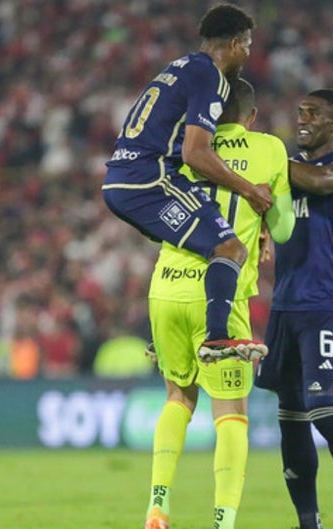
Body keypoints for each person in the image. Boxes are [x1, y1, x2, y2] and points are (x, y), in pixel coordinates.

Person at [144, 77, 295, 529]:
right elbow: (284, 228)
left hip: (166, 287)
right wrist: (263, 222)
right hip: (221, 296)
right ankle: (223, 522)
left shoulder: (185, 147)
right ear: (252, 116)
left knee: (178, 397)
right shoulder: (268, 148)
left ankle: (157, 505)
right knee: (231, 414)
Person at [103, 3, 273, 364]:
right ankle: (217, 337)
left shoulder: (178, 67)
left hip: (122, 178)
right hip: (150, 178)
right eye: (247, 45)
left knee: (193, 246)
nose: (248, 54)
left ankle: (168, 333)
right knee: (229, 249)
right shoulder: (210, 76)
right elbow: (196, 153)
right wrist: (250, 190)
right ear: (234, 44)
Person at [255, 89, 333, 529]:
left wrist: (266, 159)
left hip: (323, 304)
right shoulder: (287, 168)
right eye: (300, 112)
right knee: (290, 418)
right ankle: (308, 522)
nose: (302, 119)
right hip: (284, 307)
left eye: (313, 113)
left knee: (324, 411)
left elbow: (324, 182)